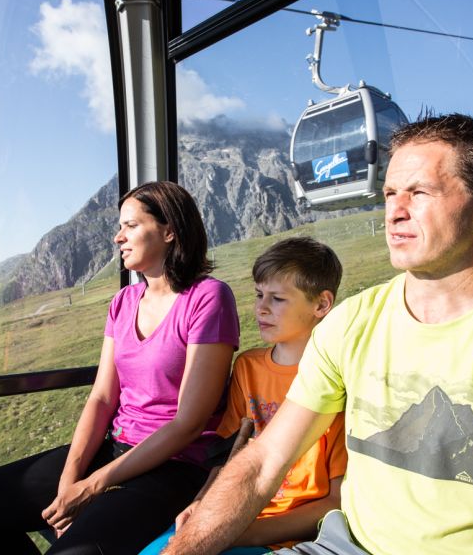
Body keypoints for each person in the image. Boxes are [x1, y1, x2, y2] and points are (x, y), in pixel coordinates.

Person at [162, 113, 473, 555]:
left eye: (420, 192)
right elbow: (264, 463)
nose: (394, 211)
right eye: (391, 192)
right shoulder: (351, 322)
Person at [0, 181, 240, 555]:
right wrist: (69, 481)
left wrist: (94, 485)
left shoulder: (208, 298)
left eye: (130, 225)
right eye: (120, 227)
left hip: (175, 466)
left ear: (169, 231)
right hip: (116, 448)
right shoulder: (123, 302)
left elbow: (188, 423)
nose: (118, 237)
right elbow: (102, 398)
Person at [140, 236, 347, 555]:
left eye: (277, 299)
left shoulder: (338, 380)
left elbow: (334, 501)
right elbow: (228, 455)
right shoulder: (248, 366)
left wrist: (246, 533)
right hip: (230, 514)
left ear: (321, 304)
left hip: (285, 535)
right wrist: (202, 503)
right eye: (258, 294)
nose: (261, 308)